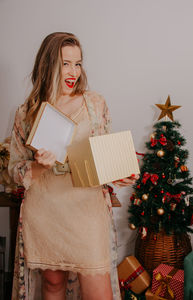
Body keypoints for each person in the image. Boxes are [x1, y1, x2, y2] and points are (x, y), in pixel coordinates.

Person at [8, 32, 137, 300]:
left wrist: (119, 172)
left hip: (86, 210)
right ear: (48, 65)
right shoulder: (27, 112)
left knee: (98, 292)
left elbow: (104, 154)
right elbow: (13, 172)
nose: (73, 71)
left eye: (78, 63)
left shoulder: (95, 104)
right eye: (66, 63)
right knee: (53, 285)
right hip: (45, 209)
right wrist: (39, 166)